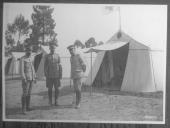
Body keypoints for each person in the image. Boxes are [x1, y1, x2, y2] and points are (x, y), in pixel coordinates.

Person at [20, 45, 36, 114]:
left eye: (31, 50)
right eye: (28, 50)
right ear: (25, 50)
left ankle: (28, 107)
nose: (29, 52)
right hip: (26, 79)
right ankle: (23, 109)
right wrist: (24, 78)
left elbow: (33, 68)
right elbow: (21, 70)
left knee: (29, 93)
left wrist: (34, 77)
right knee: (25, 94)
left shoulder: (31, 58)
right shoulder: (22, 59)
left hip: (31, 78)